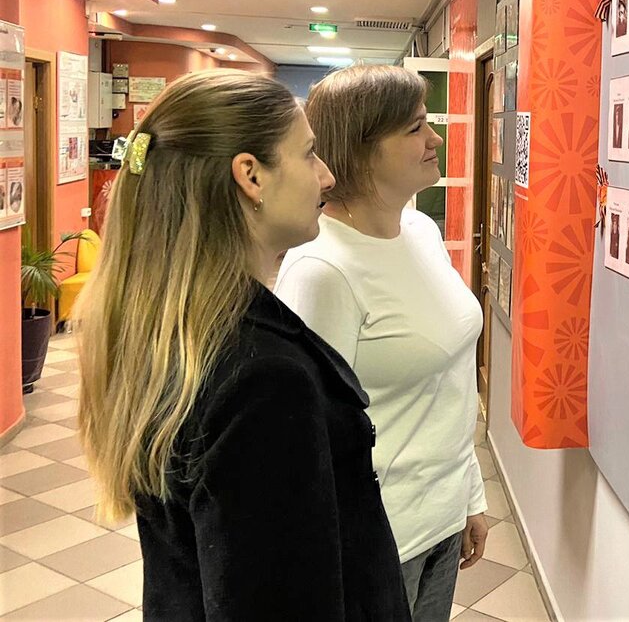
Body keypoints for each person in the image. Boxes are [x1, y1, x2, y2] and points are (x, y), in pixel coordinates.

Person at [76, 69, 409, 620]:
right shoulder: (262, 379)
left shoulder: (175, 331)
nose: (326, 176)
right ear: (251, 176)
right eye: (308, 154)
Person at [275, 65, 488, 622]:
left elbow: (449, 381)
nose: (435, 138)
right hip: (377, 539)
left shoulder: (421, 231)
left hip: (442, 520)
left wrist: (469, 495)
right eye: (416, 127)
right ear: (361, 148)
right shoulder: (322, 269)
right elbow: (309, 436)